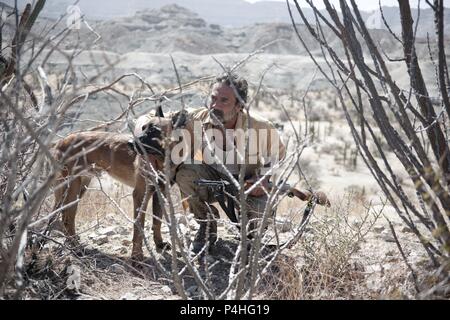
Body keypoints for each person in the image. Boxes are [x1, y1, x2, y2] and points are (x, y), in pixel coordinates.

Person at [175, 73, 286, 254]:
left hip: (248, 183)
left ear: (239, 105)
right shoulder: (197, 118)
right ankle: (206, 225)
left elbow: (279, 155)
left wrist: (264, 178)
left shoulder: (260, 126)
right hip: (212, 180)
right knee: (186, 173)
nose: (215, 105)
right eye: (213, 98)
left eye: (224, 100)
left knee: (257, 219)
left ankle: (250, 237)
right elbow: (157, 119)